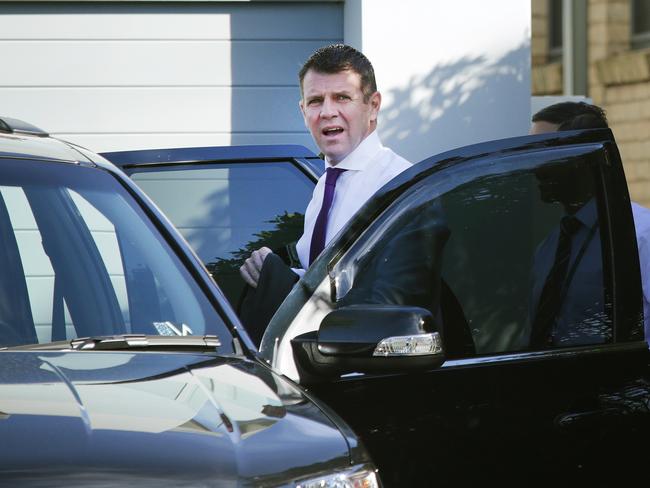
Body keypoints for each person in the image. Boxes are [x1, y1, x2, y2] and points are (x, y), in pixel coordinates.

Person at [238, 44, 411, 344]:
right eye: (316, 101)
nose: (328, 112)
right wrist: (268, 269)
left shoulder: (399, 186)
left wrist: (278, 277)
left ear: (373, 105)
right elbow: (321, 277)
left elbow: (388, 306)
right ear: (303, 111)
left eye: (342, 98)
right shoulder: (323, 187)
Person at [529, 101, 650, 343]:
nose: (534, 167)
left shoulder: (640, 236)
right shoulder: (548, 248)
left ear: (580, 159)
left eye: (544, 154)